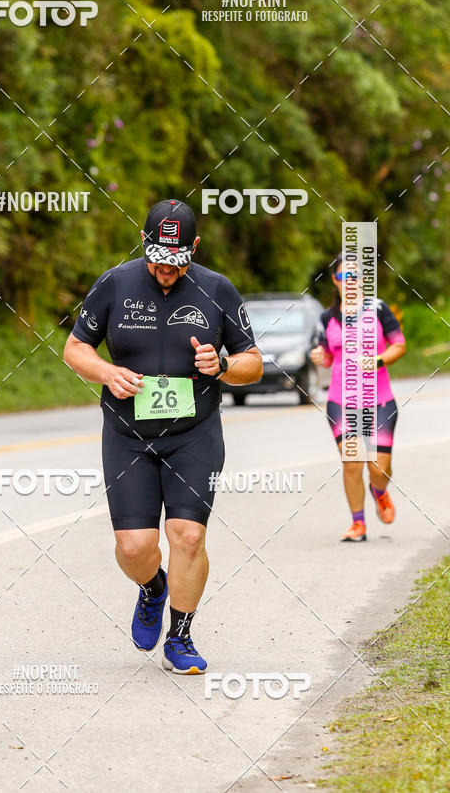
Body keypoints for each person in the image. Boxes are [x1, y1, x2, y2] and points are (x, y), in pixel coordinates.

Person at [63, 200, 262, 673]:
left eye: (177, 261)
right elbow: (75, 348)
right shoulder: (115, 283)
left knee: (188, 536)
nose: (166, 270)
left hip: (194, 433)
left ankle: (180, 637)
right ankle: (153, 587)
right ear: (143, 241)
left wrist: (223, 364)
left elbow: (253, 363)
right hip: (128, 434)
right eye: (157, 259)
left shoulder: (217, 289)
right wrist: (107, 373)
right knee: (134, 546)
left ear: (195, 247)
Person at [310, 254, 406, 541]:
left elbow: (398, 345)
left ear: (362, 280)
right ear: (335, 280)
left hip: (380, 401)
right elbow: (326, 356)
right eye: (343, 277)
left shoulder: (379, 309)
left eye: (354, 276)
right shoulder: (327, 318)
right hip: (341, 402)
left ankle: (380, 491)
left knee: (378, 468)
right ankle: (358, 524)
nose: (349, 282)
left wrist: (377, 360)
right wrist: (320, 356)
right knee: (352, 463)